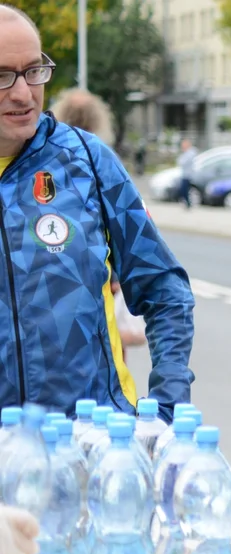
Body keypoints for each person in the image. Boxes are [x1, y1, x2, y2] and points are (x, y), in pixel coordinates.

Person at [0, 5, 195, 419]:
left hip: (90, 445)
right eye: (2, 76)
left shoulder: (88, 162)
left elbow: (165, 290)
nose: (22, 93)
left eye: (34, 71)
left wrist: (169, 409)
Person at [51, 87, 148, 361]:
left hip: (58, 286)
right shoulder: (103, 162)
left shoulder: (47, 164)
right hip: (105, 282)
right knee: (110, 360)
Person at [177, 138, 197, 209]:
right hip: (185, 174)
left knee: (185, 190)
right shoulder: (186, 153)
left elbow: (182, 162)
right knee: (185, 190)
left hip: (188, 175)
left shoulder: (190, 153)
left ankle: (189, 203)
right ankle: (188, 203)